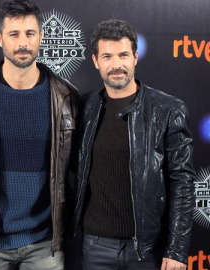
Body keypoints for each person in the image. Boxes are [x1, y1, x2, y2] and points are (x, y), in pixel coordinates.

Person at [0, 0, 79, 269]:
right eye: (14, 34)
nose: (23, 43)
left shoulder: (65, 96)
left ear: (41, 37)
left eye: (30, 34)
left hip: (46, 241)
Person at [72, 19, 196, 270]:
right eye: (107, 56)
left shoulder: (168, 110)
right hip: (95, 246)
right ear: (95, 61)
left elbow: (182, 182)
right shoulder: (83, 109)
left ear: (135, 57)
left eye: (123, 55)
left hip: (147, 249)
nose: (116, 65)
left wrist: (176, 249)